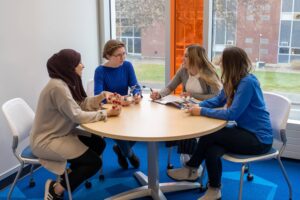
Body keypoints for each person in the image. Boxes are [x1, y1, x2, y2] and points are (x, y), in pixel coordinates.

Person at [167, 46, 273, 200]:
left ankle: (191, 168)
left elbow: (232, 113)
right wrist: (198, 106)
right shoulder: (233, 80)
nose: (221, 65)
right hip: (244, 131)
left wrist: (201, 111)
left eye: (223, 63)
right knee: (212, 149)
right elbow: (218, 100)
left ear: (231, 64)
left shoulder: (248, 83)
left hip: (259, 139)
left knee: (211, 135)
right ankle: (214, 190)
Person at [30, 49, 121, 200]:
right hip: (47, 140)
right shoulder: (58, 87)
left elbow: (81, 103)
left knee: (98, 143)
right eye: (79, 63)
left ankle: (71, 175)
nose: (83, 66)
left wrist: (102, 96)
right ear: (69, 66)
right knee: (94, 163)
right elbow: (77, 115)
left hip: (60, 134)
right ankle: (56, 189)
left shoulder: (66, 82)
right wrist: (105, 114)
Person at [150, 44, 222, 165]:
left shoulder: (209, 73)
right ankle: (187, 155)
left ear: (195, 58)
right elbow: (170, 86)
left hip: (204, 110)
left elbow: (216, 96)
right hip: (188, 108)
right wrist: (159, 94)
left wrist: (192, 94)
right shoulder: (183, 70)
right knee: (175, 121)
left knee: (187, 126)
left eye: (186, 56)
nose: (183, 58)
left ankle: (190, 160)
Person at [94, 39, 142, 169]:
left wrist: (137, 93)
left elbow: (135, 86)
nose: (123, 57)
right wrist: (118, 100)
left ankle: (120, 150)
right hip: (112, 111)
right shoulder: (100, 71)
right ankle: (129, 153)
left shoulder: (127, 66)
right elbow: (98, 96)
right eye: (118, 55)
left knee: (141, 128)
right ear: (109, 56)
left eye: (124, 53)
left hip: (127, 109)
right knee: (118, 131)